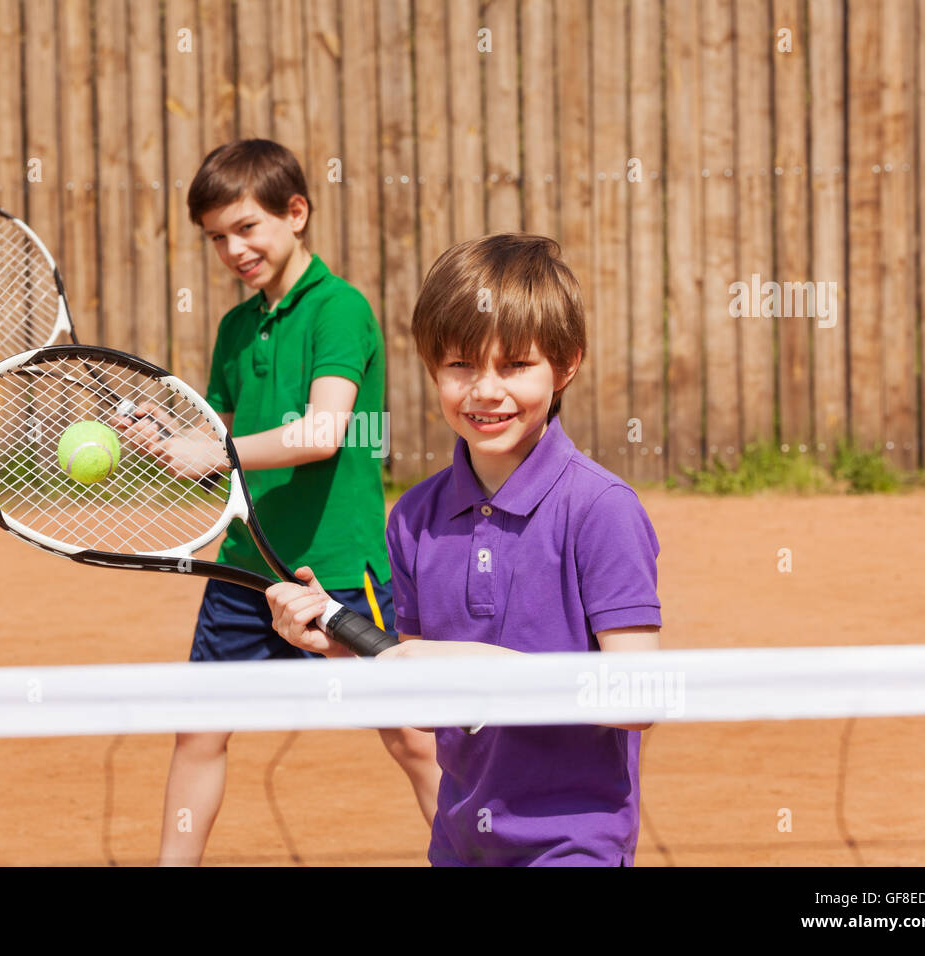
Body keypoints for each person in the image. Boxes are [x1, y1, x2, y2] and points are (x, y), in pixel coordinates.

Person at [265, 233, 663, 866]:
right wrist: (343, 646)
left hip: (572, 845)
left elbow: (637, 699)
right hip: (460, 843)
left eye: (514, 365)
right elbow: (426, 699)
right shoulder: (415, 519)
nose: (484, 390)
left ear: (565, 365)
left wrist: (482, 661)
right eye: (460, 365)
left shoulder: (601, 509)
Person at [149, 139, 438, 866]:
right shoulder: (236, 328)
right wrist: (165, 438)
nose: (233, 249)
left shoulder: (340, 310)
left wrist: (216, 450)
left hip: (338, 568)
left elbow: (322, 431)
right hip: (246, 569)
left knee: (411, 736)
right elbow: (220, 442)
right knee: (200, 732)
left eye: (246, 228)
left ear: (296, 213)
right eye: (216, 237)